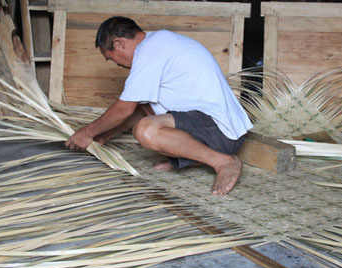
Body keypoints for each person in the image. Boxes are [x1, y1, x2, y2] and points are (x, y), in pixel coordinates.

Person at [65, 16, 252, 195]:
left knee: (146, 130)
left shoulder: (148, 54)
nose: (116, 64)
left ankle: (223, 162)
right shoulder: (156, 42)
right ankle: (190, 158)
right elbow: (138, 109)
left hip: (221, 131)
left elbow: (124, 109)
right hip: (214, 126)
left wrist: (87, 133)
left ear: (119, 43)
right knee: (146, 109)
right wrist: (103, 135)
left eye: (111, 57)